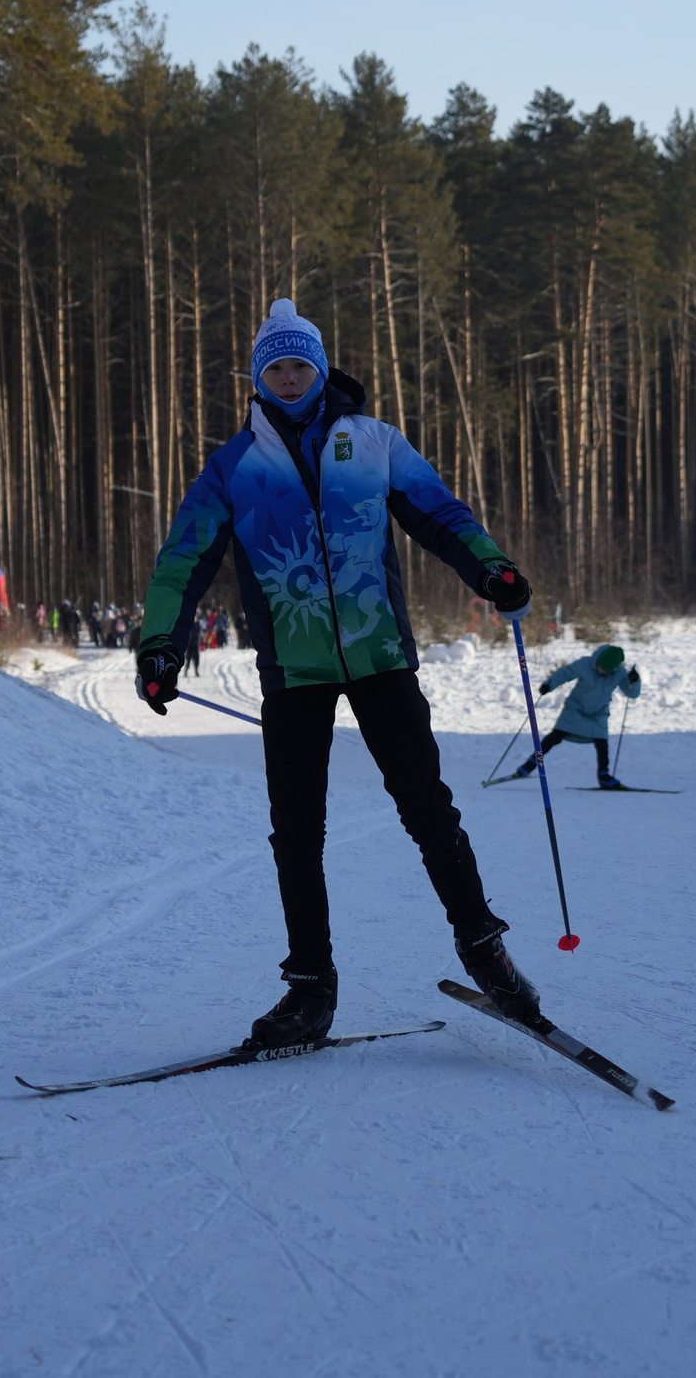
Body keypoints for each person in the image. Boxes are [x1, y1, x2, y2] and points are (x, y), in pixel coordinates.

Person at [134, 298, 543, 1050]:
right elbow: (184, 558)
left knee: (428, 809)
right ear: (260, 378)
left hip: (380, 655)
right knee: (296, 832)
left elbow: (440, 513)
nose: (289, 377)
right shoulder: (233, 466)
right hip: (294, 669)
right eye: (276, 367)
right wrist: (161, 643)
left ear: (321, 370)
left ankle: (486, 950)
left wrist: (493, 570)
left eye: (300, 364)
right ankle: (309, 990)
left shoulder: (375, 442)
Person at [515, 644, 642, 788]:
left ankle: (604, 776)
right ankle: (528, 766)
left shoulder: (620, 673)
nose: (602, 671)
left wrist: (635, 681)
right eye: (601, 667)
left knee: (602, 743)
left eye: (606, 670)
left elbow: (632, 693)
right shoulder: (585, 664)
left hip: (598, 714)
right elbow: (565, 673)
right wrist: (549, 685)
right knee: (554, 737)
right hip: (575, 710)